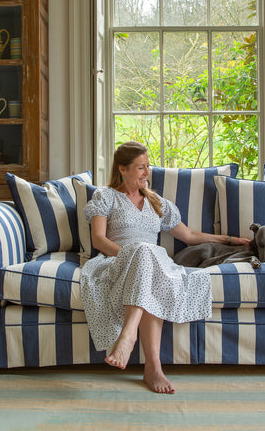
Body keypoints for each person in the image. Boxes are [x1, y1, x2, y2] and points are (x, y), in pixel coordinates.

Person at [80, 141, 250, 394]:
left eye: (148, 166)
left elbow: (190, 235)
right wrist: (131, 254)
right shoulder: (105, 197)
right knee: (144, 253)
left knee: (150, 260)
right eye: (140, 168)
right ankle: (151, 366)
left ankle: (131, 340)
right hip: (117, 262)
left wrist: (228, 239)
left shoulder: (157, 202)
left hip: (154, 264)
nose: (147, 172)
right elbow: (99, 240)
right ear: (122, 169)